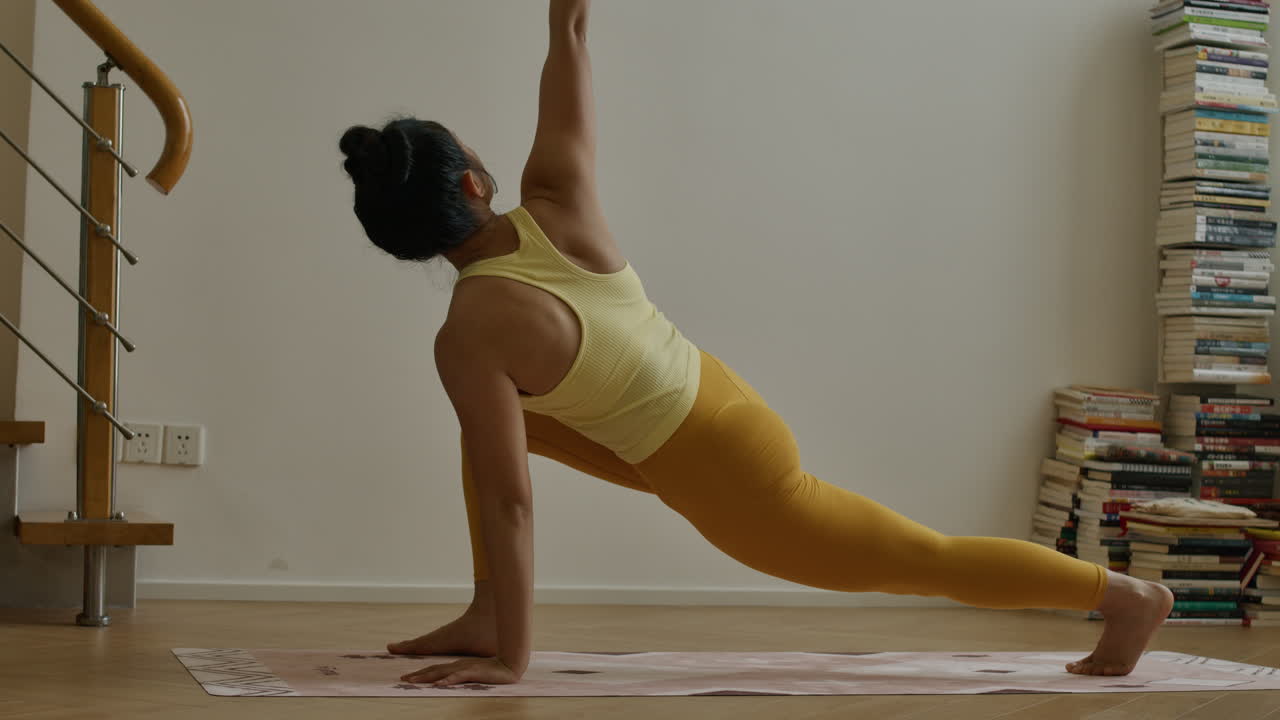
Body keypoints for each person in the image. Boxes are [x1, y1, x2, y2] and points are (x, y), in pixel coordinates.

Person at [338, 0, 1174, 689]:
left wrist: (518, 663)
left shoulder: (466, 338)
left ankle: (1123, 596)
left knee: (916, 558)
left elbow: (508, 502)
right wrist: (563, 14)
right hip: (707, 403)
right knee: (492, 431)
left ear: (402, 242)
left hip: (726, 470)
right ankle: (488, 617)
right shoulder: (557, 202)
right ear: (475, 183)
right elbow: (572, 37)